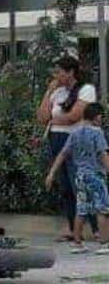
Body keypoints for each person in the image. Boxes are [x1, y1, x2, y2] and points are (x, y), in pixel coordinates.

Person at [37, 55, 98, 242]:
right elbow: (42, 116)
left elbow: (75, 116)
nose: (56, 76)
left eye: (60, 72)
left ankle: (96, 228)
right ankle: (73, 229)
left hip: (76, 139)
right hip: (56, 139)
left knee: (79, 182)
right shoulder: (58, 92)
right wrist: (48, 92)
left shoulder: (85, 89)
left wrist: (54, 119)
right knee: (66, 187)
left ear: (71, 72)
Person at [45, 102, 109, 253]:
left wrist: (51, 173)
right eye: (101, 117)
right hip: (96, 175)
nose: (102, 120)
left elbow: (63, 154)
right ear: (97, 117)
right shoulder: (97, 132)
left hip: (80, 176)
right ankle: (105, 243)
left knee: (81, 209)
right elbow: (103, 154)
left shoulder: (74, 133)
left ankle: (77, 243)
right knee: (102, 209)